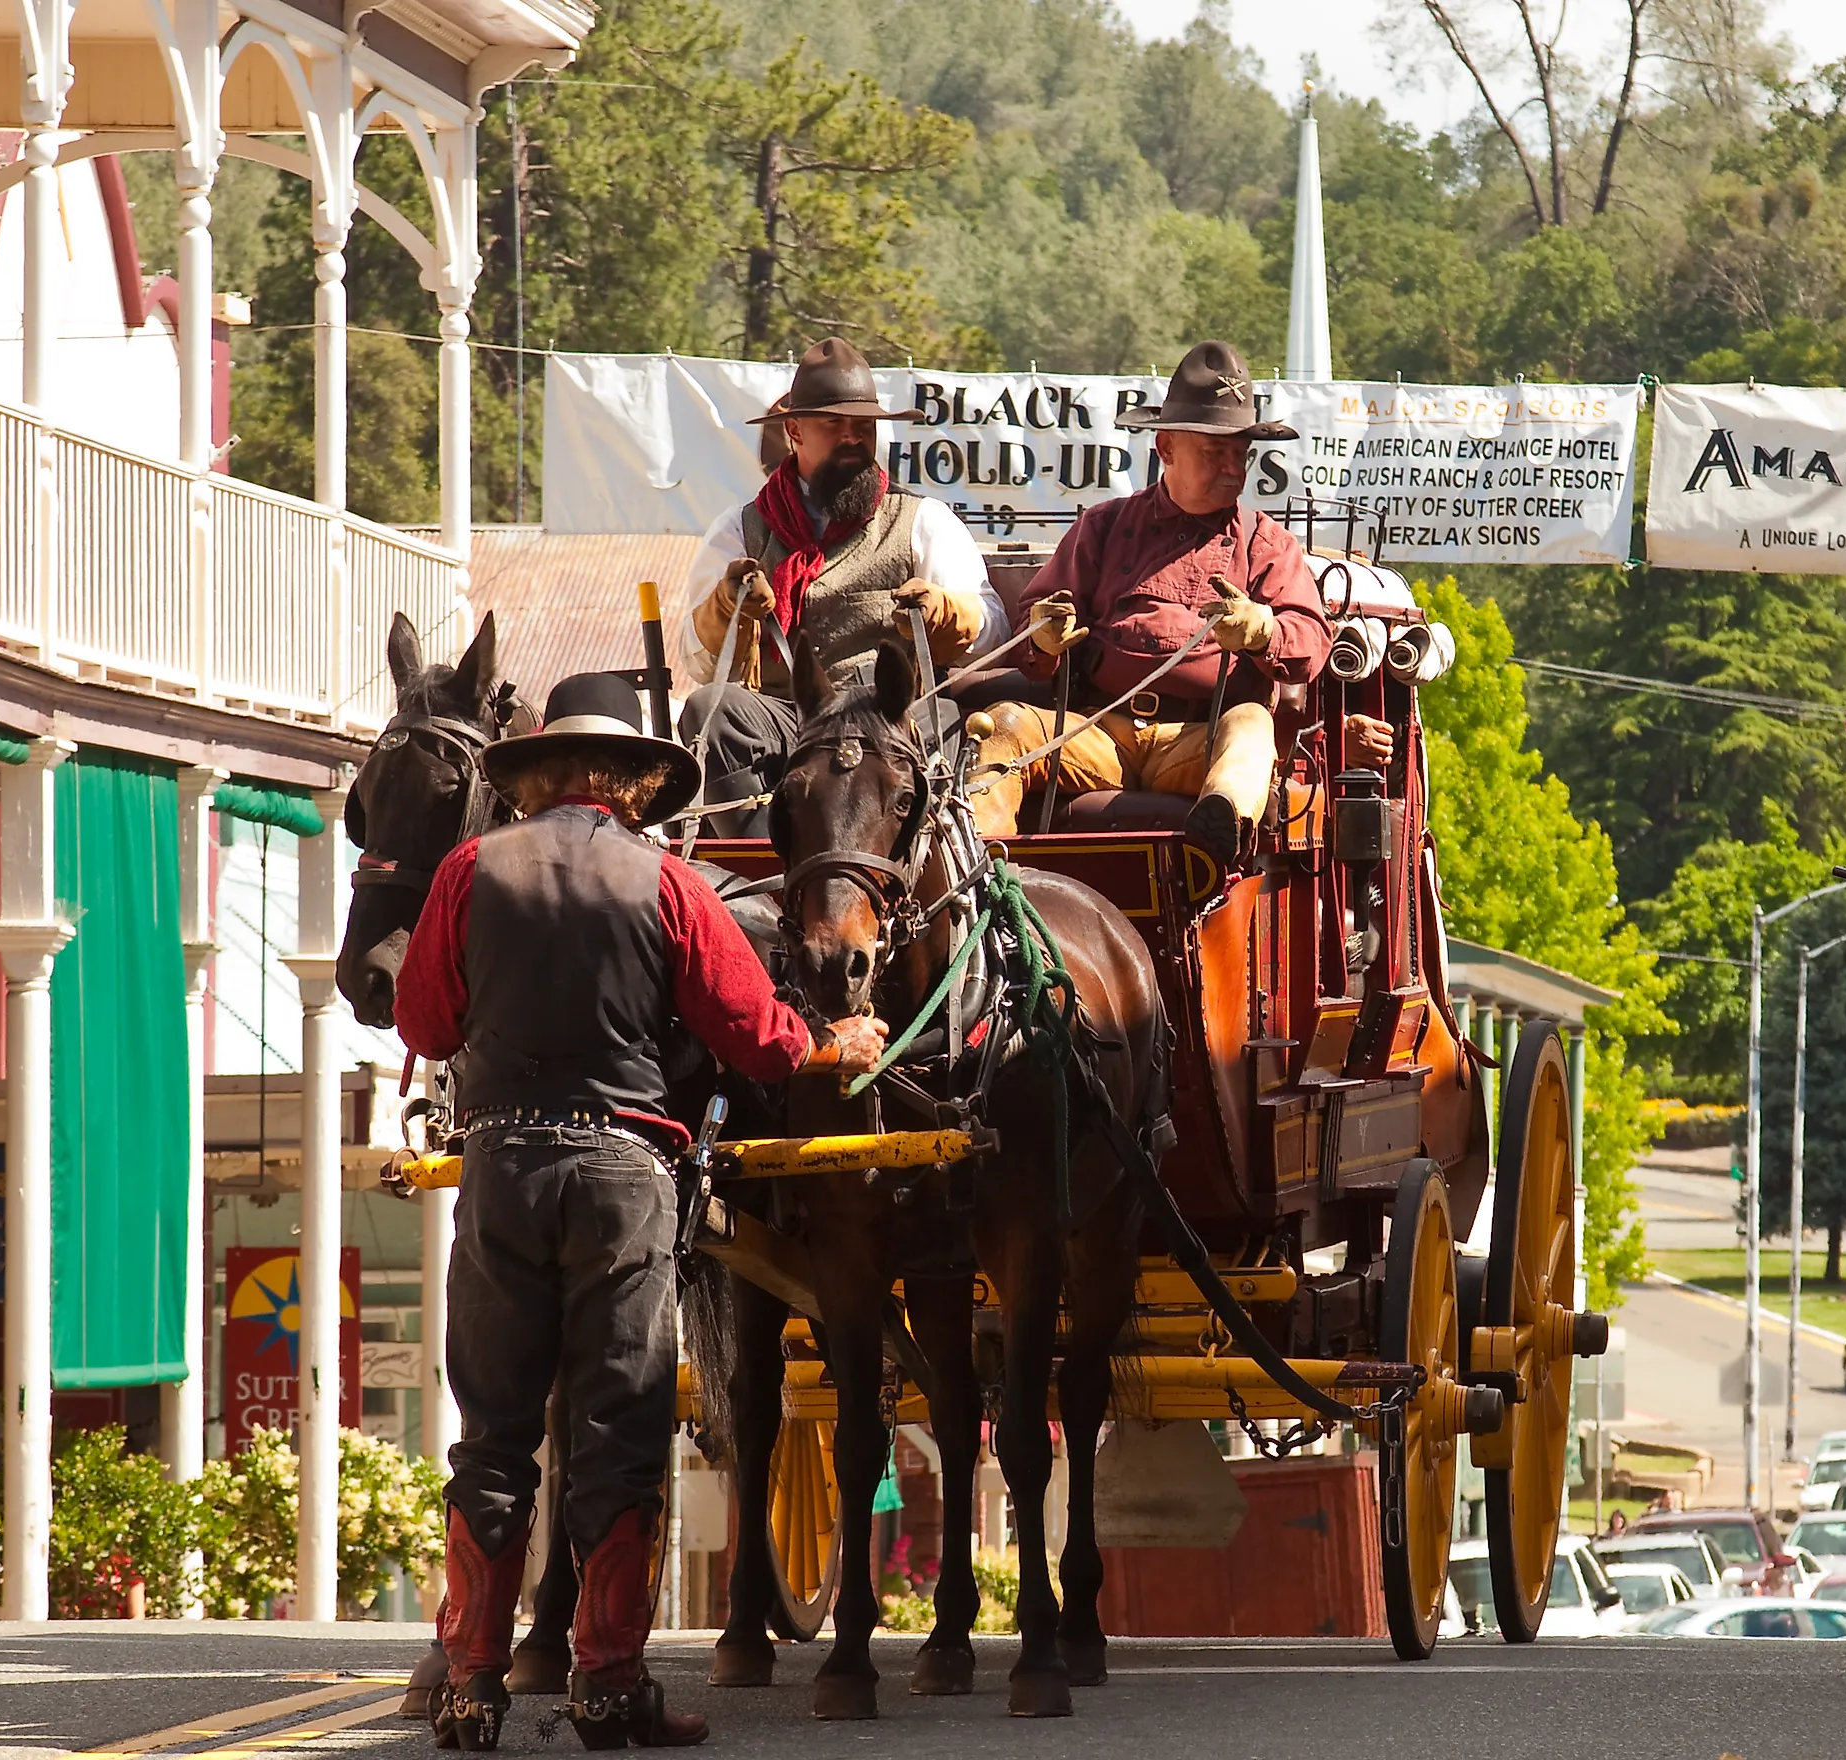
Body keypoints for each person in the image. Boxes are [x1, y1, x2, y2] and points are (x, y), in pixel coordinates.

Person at [395, 672, 888, 1750]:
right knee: (616, 1429)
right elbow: (755, 1033)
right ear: (629, 782)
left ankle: (474, 1681)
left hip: (501, 1168)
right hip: (622, 1174)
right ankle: (610, 1683)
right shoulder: (669, 881)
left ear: (533, 781)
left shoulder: (469, 870)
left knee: (493, 1438)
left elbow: (426, 1024)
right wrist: (832, 1043)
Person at [968, 340, 1332, 862]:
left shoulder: (1264, 543)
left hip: (1204, 740)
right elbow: (1034, 619)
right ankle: (984, 884)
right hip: (1098, 732)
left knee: (1253, 726)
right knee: (1005, 725)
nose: (1233, 468)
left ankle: (1213, 850)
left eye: (1241, 454)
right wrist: (1044, 634)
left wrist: (1262, 630)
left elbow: (1311, 641)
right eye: (1214, 452)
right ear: (1165, 448)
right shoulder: (1103, 527)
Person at [676, 339, 1006, 831]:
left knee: (944, 717)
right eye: (834, 424)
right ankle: (768, 871)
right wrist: (728, 609)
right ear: (793, 431)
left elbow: (993, 631)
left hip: (888, 722)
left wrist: (943, 611)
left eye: (864, 426)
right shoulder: (737, 531)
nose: (853, 438)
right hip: (786, 721)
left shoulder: (923, 521)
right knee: (712, 710)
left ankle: (904, 870)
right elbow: (696, 662)